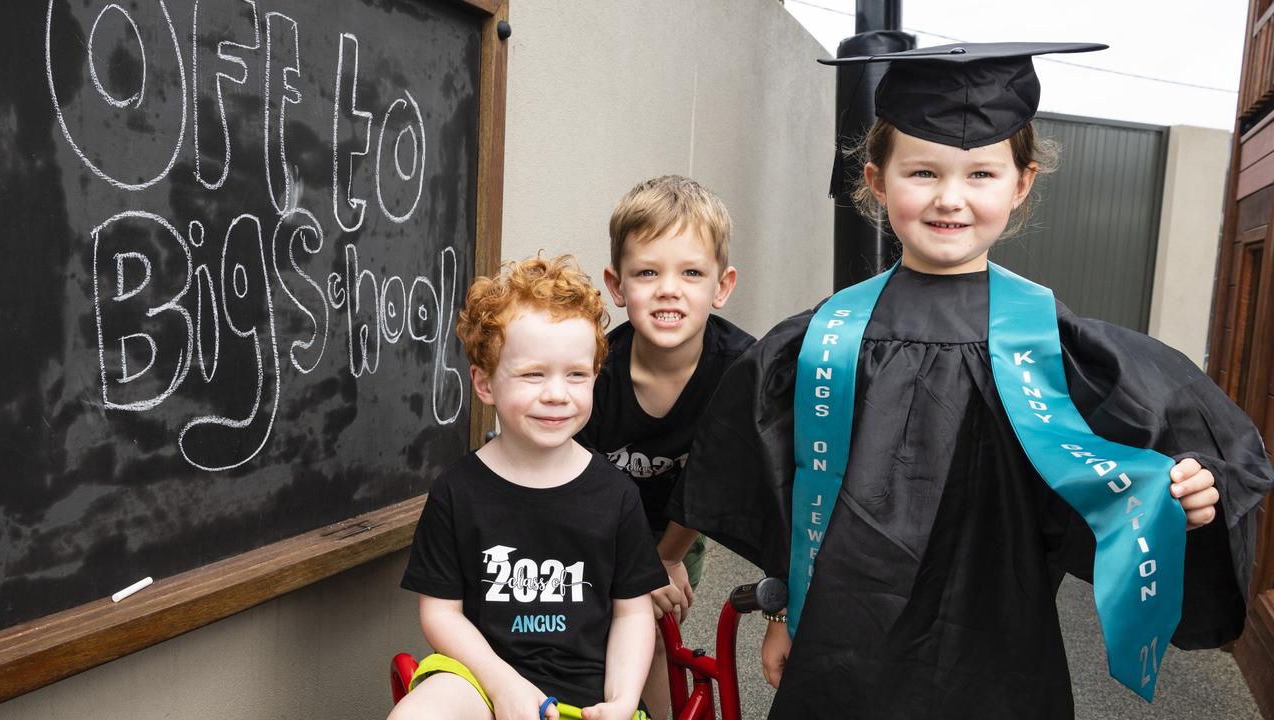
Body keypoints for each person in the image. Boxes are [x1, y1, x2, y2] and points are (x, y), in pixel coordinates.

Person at [667, 43, 1274, 719]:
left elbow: (1104, 494)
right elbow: (783, 504)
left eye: (980, 174)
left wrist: (1175, 502)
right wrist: (783, 605)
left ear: (1020, 185)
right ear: (876, 179)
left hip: (998, 653)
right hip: (842, 648)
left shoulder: (1058, 350)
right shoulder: (817, 346)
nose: (949, 198)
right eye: (922, 171)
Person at [391, 256, 667, 720]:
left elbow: (633, 614)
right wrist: (504, 686)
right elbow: (441, 613)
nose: (557, 393)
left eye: (576, 374)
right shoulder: (456, 492)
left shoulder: (616, 495)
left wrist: (620, 701)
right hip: (478, 680)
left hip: (585, 694)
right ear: (484, 384)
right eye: (533, 374)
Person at [576, 175, 753, 717]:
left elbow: (717, 483)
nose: (668, 288)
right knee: (583, 628)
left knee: (648, 630)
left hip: (678, 527)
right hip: (591, 523)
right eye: (647, 272)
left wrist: (665, 558)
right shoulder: (595, 368)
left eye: (691, 273)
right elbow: (569, 483)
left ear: (721, 287)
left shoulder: (740, 371)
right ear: (616, 284)